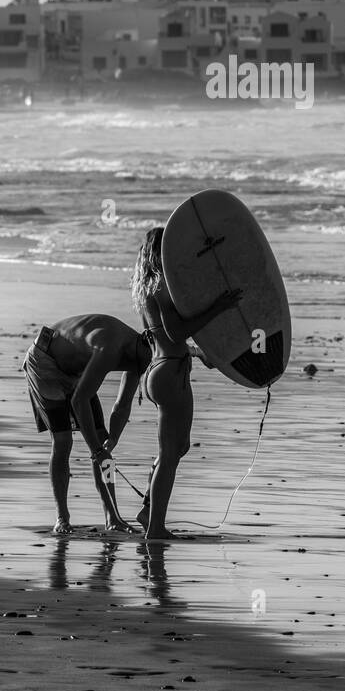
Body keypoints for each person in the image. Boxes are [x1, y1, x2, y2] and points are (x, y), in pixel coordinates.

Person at [130, 227, 242, 541]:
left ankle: (148, 511)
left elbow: (166, 338)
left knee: (178, 448)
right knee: (169, 454)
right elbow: (177, 334)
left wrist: (199, 352)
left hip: (161, 369)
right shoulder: (162, 288)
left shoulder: (145, 290)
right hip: (170, 374)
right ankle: (155, 528)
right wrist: (219, 307)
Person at [22, 314, 151, 535]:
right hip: (44, 359)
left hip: (75, 369)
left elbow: (122, 405)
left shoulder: (141, 354)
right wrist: (97, 452)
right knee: (63, 441)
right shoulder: (110, 347)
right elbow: (79, 400)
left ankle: (113, 517)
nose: (143, 369)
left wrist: (110, 443)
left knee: (102, 444)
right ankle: (62, 518)